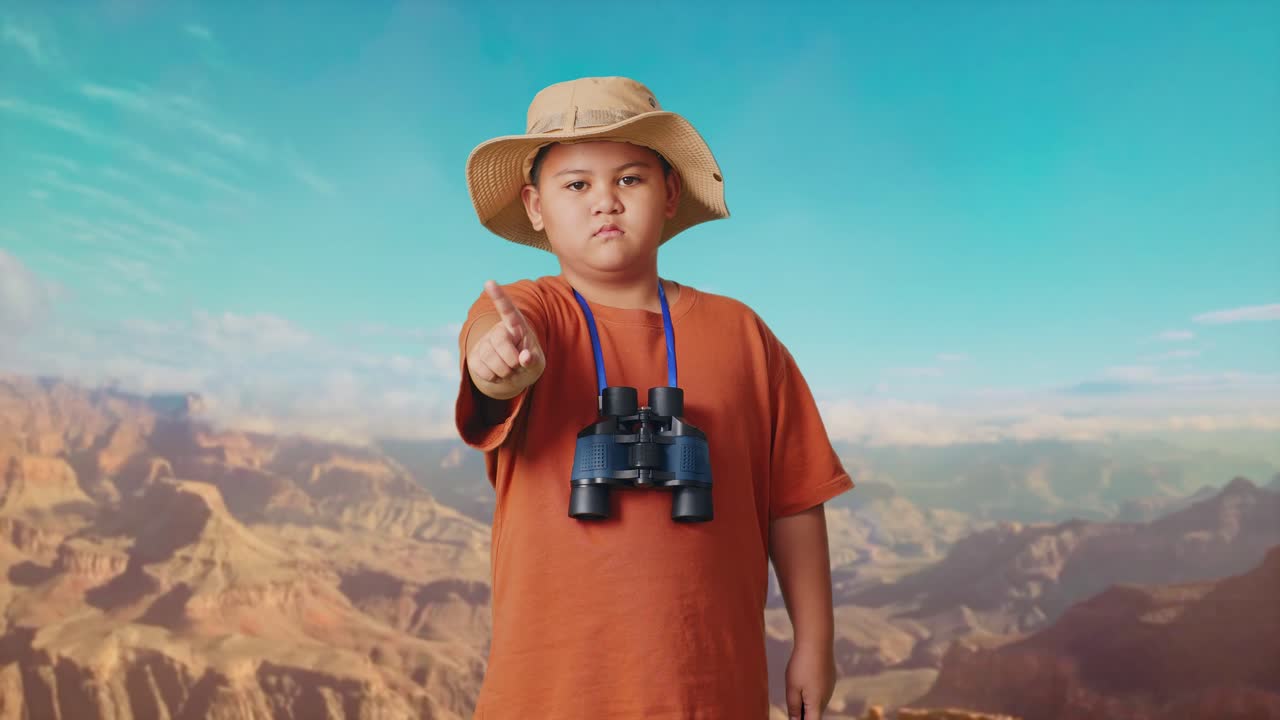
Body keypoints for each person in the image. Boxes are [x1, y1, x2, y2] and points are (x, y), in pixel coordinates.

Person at [454, 76, 854, 719]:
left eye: (631, 179)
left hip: (708, 686)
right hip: (550, 693)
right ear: (535, 206)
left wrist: (815, 642)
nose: (604, 202)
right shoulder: (533, 313)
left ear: (670, 194)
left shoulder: (743, 333)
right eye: (576, 184)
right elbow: (491, 358)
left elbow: (795, 502)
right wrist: (499, 361)